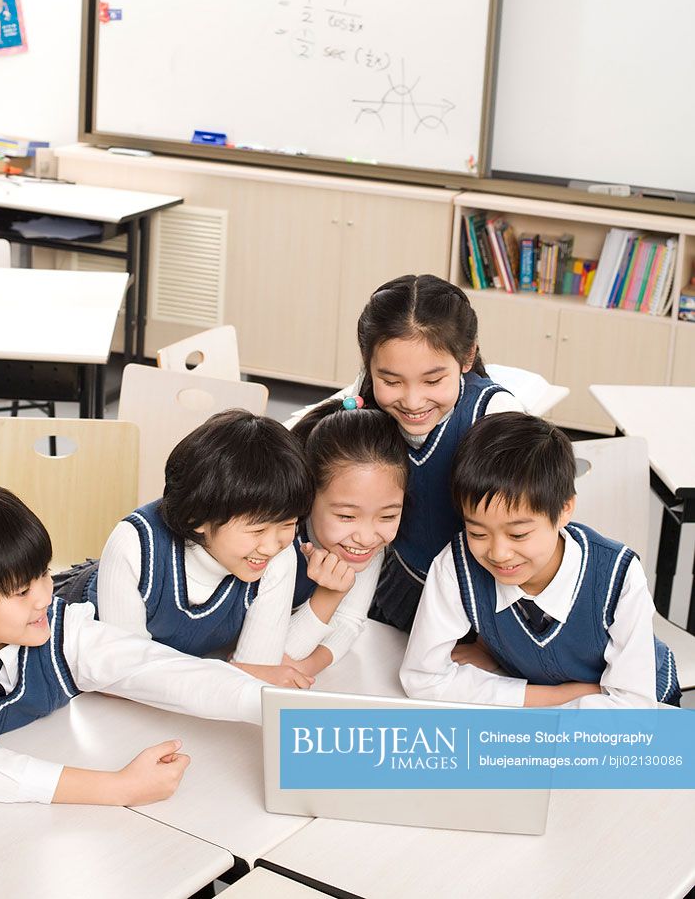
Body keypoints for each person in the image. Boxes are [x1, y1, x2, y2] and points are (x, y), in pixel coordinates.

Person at [0, 484, 273, 802]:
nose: (44, 596)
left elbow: (153, 668)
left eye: (43, 573)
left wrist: (273, 707)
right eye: (21, 592)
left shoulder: (57, 626)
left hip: (2, 812)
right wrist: (117, 788)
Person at [289, 274, 522, 630]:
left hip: (482, 605)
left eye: (432, 381)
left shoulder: (494, 416)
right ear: (370, 365)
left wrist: (486, 641)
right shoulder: (363, 400)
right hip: (397, 590)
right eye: (392, 381)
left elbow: (526, 531)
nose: (412, 402)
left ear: (467, 356)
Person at [400, 412, 680, 707]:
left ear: (564, 510)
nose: (498, 553)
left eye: (518, 535)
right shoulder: (456, 567)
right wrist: (563, 695)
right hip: (548, 704)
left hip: (651, 710)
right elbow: (422, 678)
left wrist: (503, 690)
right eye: (477, 533)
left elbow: (631, 706)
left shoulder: (618, 576)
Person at [55, 410, 316, 687]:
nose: (272, 545)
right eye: (258, 530)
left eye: (289, 523)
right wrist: (227, 675)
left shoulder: (277, 554)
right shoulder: (134, 547)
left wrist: (234, 676)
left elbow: (255, 672)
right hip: (72, 662)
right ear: (198, 518)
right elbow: (127, 675)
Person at [284, 400, 408, 676]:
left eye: (387, 516)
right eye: (347, 516)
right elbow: (276, 654)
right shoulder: (278, 539)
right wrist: (331, 594)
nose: (366, 538)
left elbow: (350, 620)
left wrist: (309, 666)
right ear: (309, 496)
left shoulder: (367, 545)